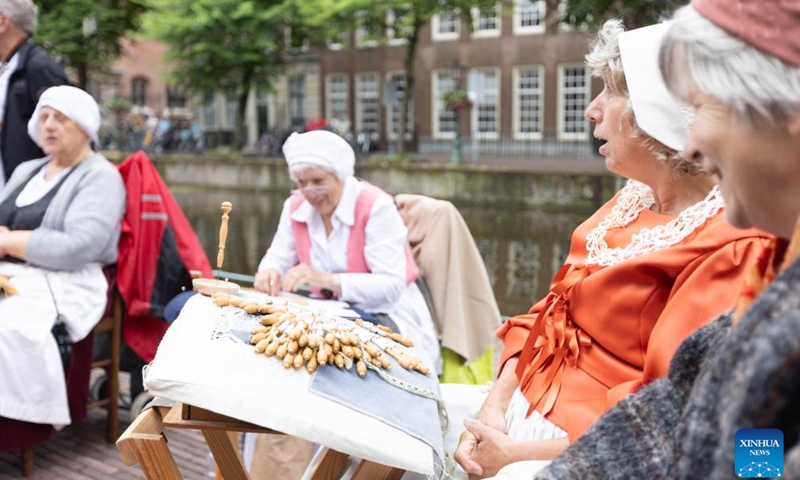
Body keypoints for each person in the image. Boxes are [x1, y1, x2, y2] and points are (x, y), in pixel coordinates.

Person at [451, 19, 770, 479]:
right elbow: (547, 314)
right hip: (515, 419)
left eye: (612, 92)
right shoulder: (630, 199)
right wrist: (491, 411)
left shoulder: (732, 247)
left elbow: (670, 415)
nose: (592, 110)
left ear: (658, 112)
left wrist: (515, 456)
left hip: (586, 453)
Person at [531, 1, 800, 479]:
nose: (690, 143)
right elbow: (694, 407)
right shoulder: (782, 265)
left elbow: (757, 453)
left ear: (786, 116)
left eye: (702, 107)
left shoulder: (759, 261)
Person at [253, 129, 440, 369]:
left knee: (319, 354)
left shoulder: (376, 206)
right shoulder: (295, 206)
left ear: (340, 176)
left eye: (318, 183)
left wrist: (325, 280)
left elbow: (391, 287)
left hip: (388, 313)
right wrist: (268, 271)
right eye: (301, 184)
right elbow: (278, 255)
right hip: (331, 313)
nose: (310, 193)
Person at [0, 85, 126, 426]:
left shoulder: (101, 177)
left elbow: (78, 247)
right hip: (14, 275)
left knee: (6, 327)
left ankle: (21, 422)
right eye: (43, 118)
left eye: (60, 118)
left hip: (68, 279)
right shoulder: (27, 170)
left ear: (85, 127)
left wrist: (9, 243)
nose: (48, 125)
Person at [0, 0, 69, 190]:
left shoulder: (37, 68)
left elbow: (70, 135)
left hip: (27, 197)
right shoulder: (9, 68)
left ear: (3, 22)